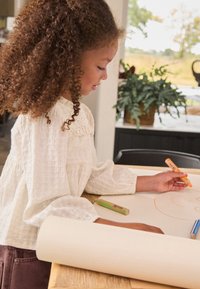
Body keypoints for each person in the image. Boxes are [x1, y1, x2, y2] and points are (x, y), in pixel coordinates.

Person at [0, 0, 187, 288]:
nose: (106, 75)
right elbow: (48, 204)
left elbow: (89, 173)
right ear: (67, 60)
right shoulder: (44, 118)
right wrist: (122, 230)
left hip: (58, 237)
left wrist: (149, 182)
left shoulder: (78, 112)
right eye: (101, 65)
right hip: (28, 249)